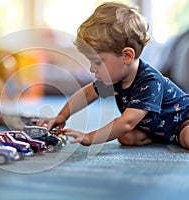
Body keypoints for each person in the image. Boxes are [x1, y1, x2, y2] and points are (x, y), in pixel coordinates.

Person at [37, 2, 189, 150]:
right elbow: (87, 93)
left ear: (127, 56)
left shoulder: (150, 81)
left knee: (186, 137)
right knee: (125, 137)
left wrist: (90, 137)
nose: (92, 68)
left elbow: (127, 121)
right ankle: (159, 136)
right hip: (155, 126)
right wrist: (62, 116)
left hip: (182, 122)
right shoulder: (115, 77)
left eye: (97, 62)